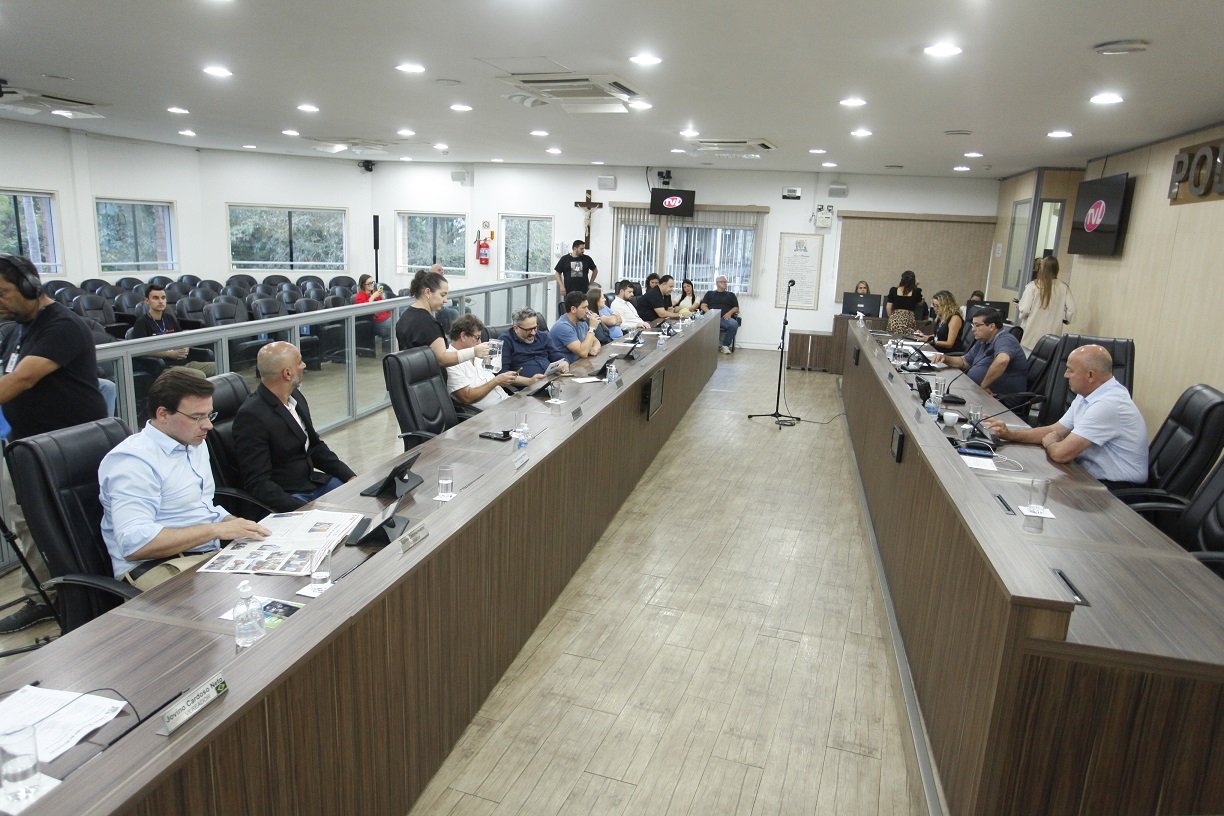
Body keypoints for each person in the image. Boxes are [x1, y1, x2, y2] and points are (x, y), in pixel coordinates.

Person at [0, 254, 108, 633]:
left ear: (31, 286)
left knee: (68, 525)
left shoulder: (62, 325)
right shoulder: (18, 329)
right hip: (26, 446)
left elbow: (22, 379)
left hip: (65, 449)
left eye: (3, 293)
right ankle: (43, 598)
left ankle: (84, 594)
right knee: (26, 523)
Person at [100, 369, 270, 590]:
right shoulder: (133, 461)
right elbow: (135, 544)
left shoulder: (193, 443)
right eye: (197, 417)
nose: (208, 425)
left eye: (209, 415)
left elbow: (200, 507)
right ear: (163, 414)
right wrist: (216, 530)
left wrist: (235, 524)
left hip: (202, 553)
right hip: (157, 566)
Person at [983, 345, 1147, 488]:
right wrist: (1010, 434)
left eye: (1070, 370)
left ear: (1090, 375)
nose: (1065, 375)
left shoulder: (1108, 404)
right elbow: (1054, 430)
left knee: (1033, 491)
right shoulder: (1087, 394)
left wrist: (1050, 443)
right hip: (1087, 476)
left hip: (1116, 490)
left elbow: (1061, 454)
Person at [232, 341, 356, 512]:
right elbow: (259, 483)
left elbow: (315, 446)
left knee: (358, 502)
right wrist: (304, 511)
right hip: (289, 496)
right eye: (300, 362)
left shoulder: (295, 397)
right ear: (287, 373)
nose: (304, 365)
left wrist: (349, 476)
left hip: (312, 483)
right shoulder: (251, 416)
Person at [394, 267, 488, 369]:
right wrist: (474, 351)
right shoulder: (429, 324)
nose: (445, 300)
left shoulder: (404, 317)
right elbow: (442, 359)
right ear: (428, 292)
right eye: (442, 295)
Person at [933, 307, 1028, 400]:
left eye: (977, 325)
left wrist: (983, 386)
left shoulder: (1005, 339)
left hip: (999, 401)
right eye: (973, 325)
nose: (973, 329)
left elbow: (1002, 360)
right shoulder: (983, 340)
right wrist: (945, 358)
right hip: (975, 391)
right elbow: (964, 362)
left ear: (992, 326)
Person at [128, 283, 217, 376]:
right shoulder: (142, 322)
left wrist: (185, 347)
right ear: (147, 301)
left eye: (163, 298)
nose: (160, 301)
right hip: (165, 367)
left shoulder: (169, 318)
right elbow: (141, 351)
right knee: (199, 375)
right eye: (155, 298)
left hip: (184, 363)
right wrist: (169, 354)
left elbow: (180, 338)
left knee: (219, 367)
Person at [446, 315, 521, 409]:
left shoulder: (476, 352)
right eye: (477, 337)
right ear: (463, 336)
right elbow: (467, 397)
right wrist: (496, 381)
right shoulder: (450, 360)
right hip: (489, 413)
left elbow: (488, 381)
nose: (480, 342)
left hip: (506, 402)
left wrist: (502, 380)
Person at [1017, 256, 1076, 350]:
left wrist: (1020, 310)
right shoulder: (1064, 288)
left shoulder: (1033, 286)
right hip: (1052, 339)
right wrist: (1064, 319)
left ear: (1042, 268)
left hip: (1031, 337)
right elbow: (1071, 311)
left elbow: (1025, 310)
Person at [498, 308, 568, 381]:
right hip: (526, 386)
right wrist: (529, 381)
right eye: (528, 330)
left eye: (535, 328)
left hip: (551, 380)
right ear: (516, 328)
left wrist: (564, 364)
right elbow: (503, 374)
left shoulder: (543, 336)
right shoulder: (506, 341)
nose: (533, 333)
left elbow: (559, 357)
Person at [550, 291, 601, 362]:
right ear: (573, 309)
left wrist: (594, 349)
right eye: (584, 307)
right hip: (567, 366)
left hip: (580, 363)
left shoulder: (581, 322)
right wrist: (592, 328)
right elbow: (583, 353)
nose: (587, 311)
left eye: (587, 307)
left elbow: (596, 341)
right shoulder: (563, 327)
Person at [699, 274, 740, 354]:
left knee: (734, 324)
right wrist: (711, 313)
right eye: (723, 282)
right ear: (717, 283)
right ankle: (703, 345)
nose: (725, 283)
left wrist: (729, 313)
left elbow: (736, 308)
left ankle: (725, 346)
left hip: (724, 319)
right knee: (697, 324)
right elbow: (703, 306)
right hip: (711, 318)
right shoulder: (709, 293)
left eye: (726, 282)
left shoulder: (731, 295)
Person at [354, 273, 393, 345]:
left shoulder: (375, 293)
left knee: (399, 319)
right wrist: (373, 297)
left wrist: (381, 297)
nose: (372, 284)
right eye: (369, 283)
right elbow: (364, 309)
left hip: (386, 317)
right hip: (375, 322)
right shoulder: (360, 296)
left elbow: (383, 306)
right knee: (396, 323)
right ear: (363, 285)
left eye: (373, 282)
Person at [885, 270, 923, 334]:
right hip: (908, 320)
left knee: (893, 339)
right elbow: (920, 303)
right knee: (907, 339)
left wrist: (892, 318)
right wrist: (916, 285)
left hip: (895, 320)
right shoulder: (916, 291)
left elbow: (888, 307)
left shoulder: (893, 290)